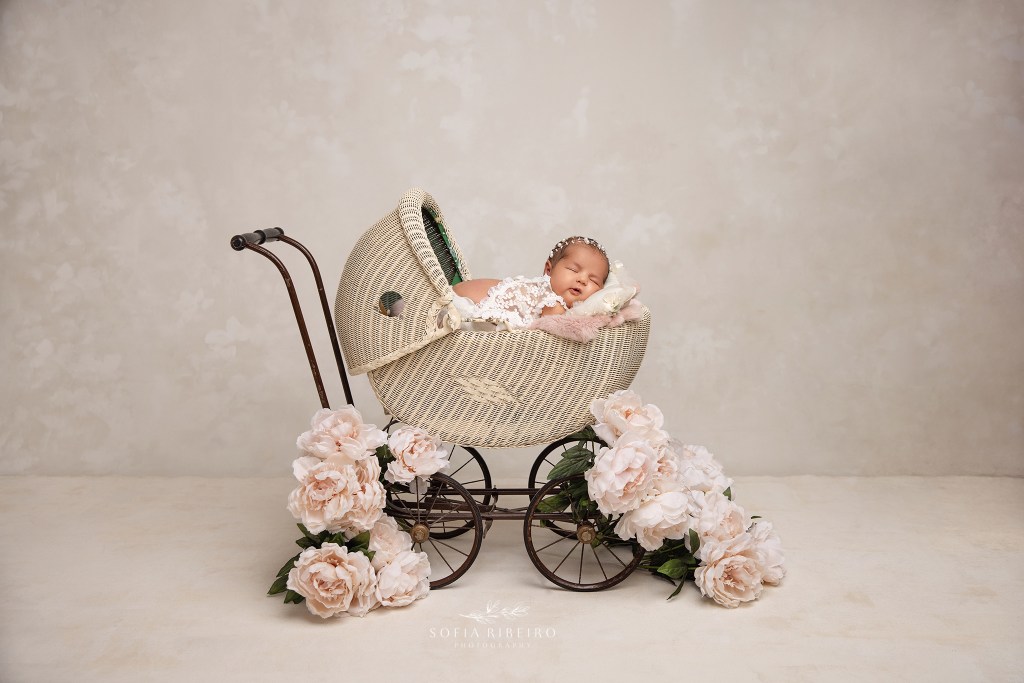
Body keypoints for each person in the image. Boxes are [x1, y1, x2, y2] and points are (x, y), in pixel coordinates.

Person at [451, 236, 610, 330]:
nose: (582, 280)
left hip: (462, 297)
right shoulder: (553, 303)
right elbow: (556, 335)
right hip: (462, 306)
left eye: (593, 280)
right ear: (549, 270)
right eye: (573, 270)